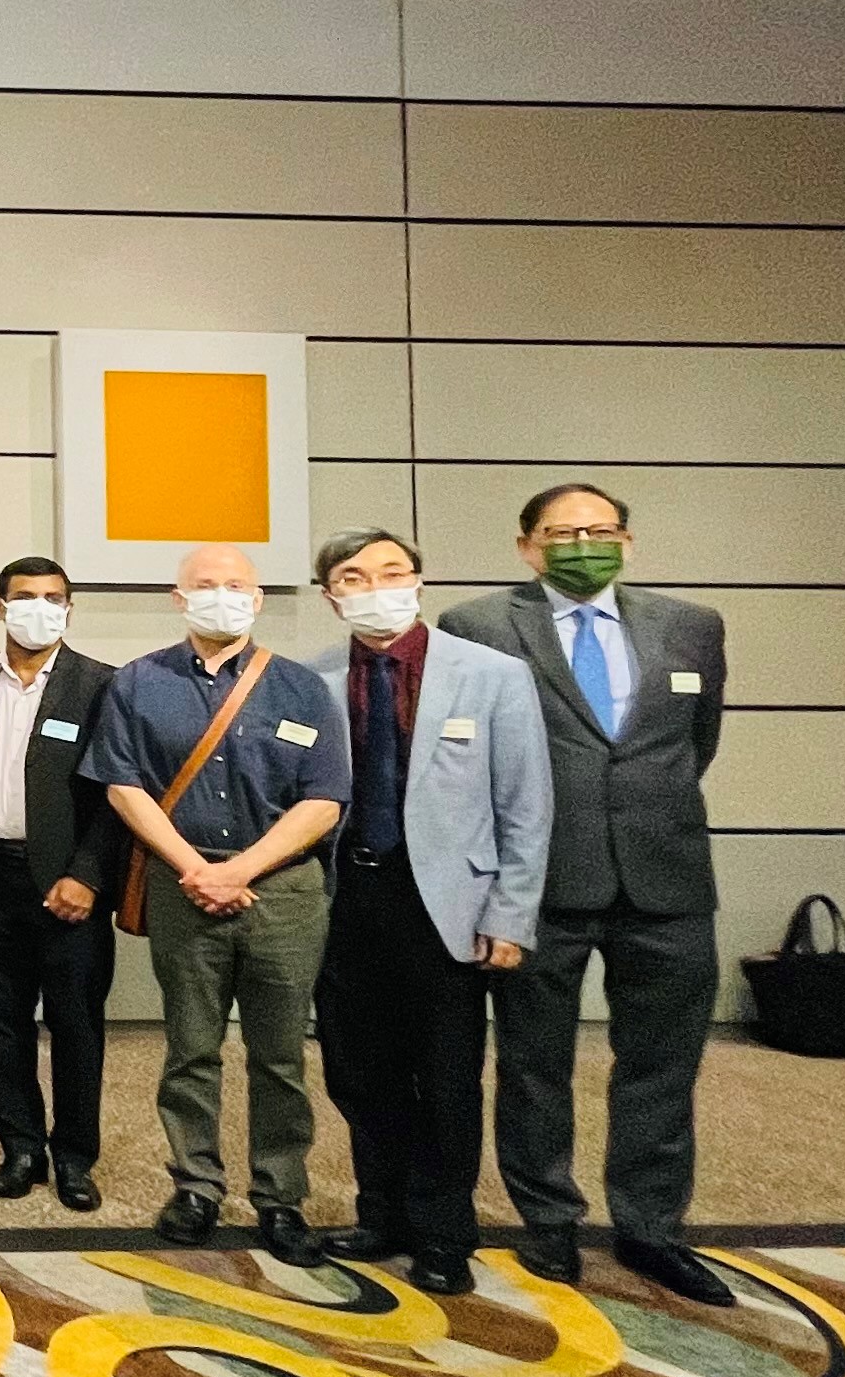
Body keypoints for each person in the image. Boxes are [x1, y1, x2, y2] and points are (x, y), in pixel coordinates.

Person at [438, 483, 734, 1305]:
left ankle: (652, 1228)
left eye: (599, 531)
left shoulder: (692, 627)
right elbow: (473, 760)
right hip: (540, 884)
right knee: (535, 1064)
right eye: (562, 533)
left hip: (667, 880)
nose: (582, 544)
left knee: (663, 1066)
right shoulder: (480, 627)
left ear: (628, 542)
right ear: (528, 547)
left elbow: (696, 741)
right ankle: (550, 1224)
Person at [77, 543, 350, 1259]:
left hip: (283, 891)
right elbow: (122, 784)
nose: (221, 596)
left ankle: (280, 1195)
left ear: (257, 600)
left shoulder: (302, 688)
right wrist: (196, 867)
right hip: (183, 884)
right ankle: (196, 1184)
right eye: (205, 585)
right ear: (179, 598)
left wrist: (244, 870)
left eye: (236, 586)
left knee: (280, 1055)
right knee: (192, 1049)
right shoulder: (139, 682)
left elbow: (324, 799)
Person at [305, 526, 548, 1299]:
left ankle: (443, 1232)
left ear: (418, 578)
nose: (375, 586)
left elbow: (525, 803)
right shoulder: (309, 678)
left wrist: (511, 915)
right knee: (357, 1068)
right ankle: (380, 1215)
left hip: (448, 904)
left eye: (392, 571)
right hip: (347, 898)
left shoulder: (492, 675)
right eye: (353, 576)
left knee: (444, 1077)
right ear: (330, 594)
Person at [0, 558, 124, 1211]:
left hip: (68, 887)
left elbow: (115, 796)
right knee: (0, 1022)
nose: (39, 608)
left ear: (69, 608)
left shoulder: (102, 686)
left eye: (54, 599)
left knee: (74, 1024)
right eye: (26, 598)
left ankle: (74, 1157)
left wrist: (87, 876)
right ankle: (19, 1148)